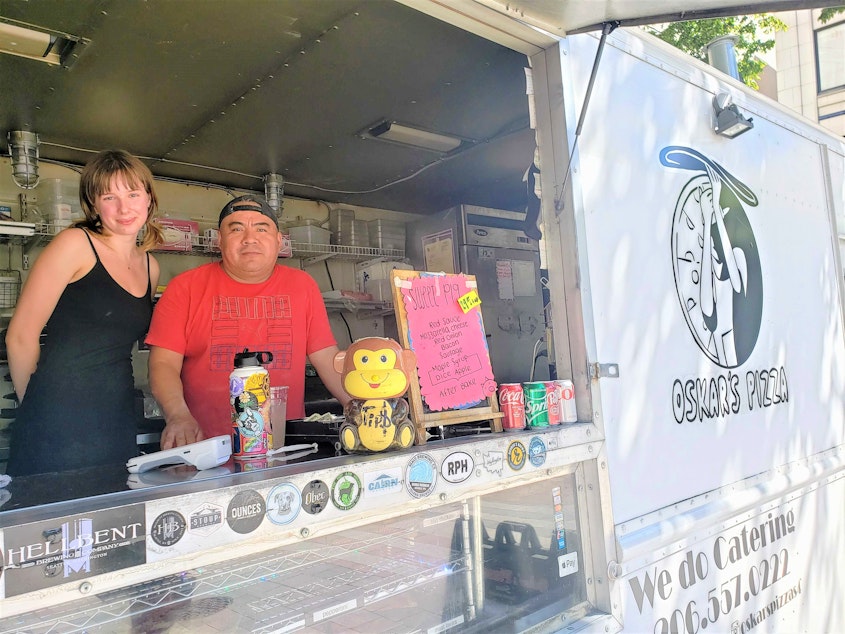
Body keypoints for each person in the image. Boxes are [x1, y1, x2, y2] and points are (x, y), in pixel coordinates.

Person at [146, 194, 349, 449]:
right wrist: (178, 416)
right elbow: (163, 364)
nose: (250, 238)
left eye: (261, 228)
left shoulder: (302, 286)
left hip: (286, 449)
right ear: (219, 240)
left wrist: (358, 405)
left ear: (278, 241)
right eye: (237, 229)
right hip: (207, 450)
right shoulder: (184, 288)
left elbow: (327, 357)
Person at [5, 150, 163, 476]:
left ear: (148, 198)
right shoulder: (75, 244)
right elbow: (20, 336)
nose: (124, 208)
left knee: (114, 518)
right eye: (109, 196)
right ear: (93, 205)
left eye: (133, 194)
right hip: (56, 415)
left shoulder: (150, 267)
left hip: (116, 415)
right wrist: (35, 408)